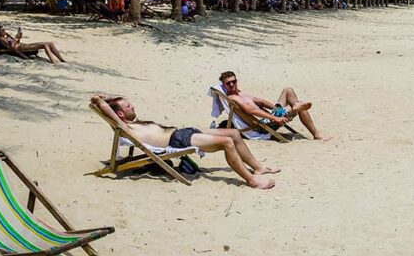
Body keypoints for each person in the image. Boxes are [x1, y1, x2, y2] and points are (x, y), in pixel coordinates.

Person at [90, 95, 277, 189]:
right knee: (227, 142)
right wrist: (100, 99)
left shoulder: (134, 123)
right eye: (128, 106)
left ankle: (258, 167)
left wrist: (108, 98)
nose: (133, 106)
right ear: (120, 114)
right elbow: (104, 105)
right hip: (176, 140)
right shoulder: (125, 127)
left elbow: (110, 102)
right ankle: (251, 180)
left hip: (181, 131)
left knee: (234, 133)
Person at [214, 71, 334, 142]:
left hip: (270, 116)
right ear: (224, 85)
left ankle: (296, 105)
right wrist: (275, 118)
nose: (231, 84)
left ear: (236, 80)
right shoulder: (233, 98)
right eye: (228, 83)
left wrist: (275, 109)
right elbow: (251, 110)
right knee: (298, 106)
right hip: (264, 123)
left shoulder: (241, 93)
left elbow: (260, 102)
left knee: (288, 90)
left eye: (233, 81)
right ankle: (316, 134)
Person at [0, 25, 66, 63]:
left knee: (50, 43)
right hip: (21, 49)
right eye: (3, 30)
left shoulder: (6, 37)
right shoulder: (2, 40)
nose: (5, 31)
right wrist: (16, 38)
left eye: (4, 29)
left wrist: (19, 38)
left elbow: (16, 42)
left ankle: (61, 59)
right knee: (45, 45)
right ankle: (53, 61)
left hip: (22, 45)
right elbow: (12, 48)